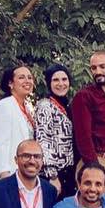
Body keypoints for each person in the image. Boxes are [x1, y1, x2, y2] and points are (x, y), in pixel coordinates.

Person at [71, 49, 105, 196]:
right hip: (95, 160)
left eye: (102, 66)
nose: (98, 71)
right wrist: (93, 166)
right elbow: (83, 136)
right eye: (93, 68)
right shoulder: (84, 96)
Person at [0, 64, 38, 181]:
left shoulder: (28, 107)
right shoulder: (4, 106)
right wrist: (3, 173)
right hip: (6, 174)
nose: (27, 81)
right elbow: (1, 143)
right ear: (10, 83)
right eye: (21, 77)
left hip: (23, 173)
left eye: (30, 77)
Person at [33, 64, 76, 196]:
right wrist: (52, 176)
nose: (61, 84)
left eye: (64, 79)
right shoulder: (45, 106)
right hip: (54, 175)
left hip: (68, 172)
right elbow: (43, 141)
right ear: (48, 83)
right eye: (55, 80)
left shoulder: (66, 105)